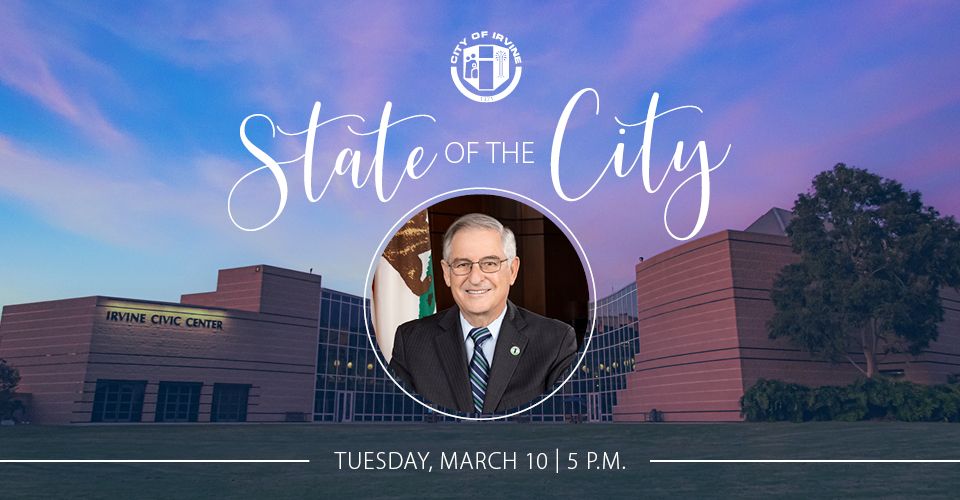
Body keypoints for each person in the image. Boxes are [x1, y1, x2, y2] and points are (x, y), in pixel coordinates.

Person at [389, 213, 578, 414]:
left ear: (512, 271)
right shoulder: (411, 341)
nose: (476, 278)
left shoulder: (555, 341)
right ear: (446, 273)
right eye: (462, 264)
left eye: (490, 263)